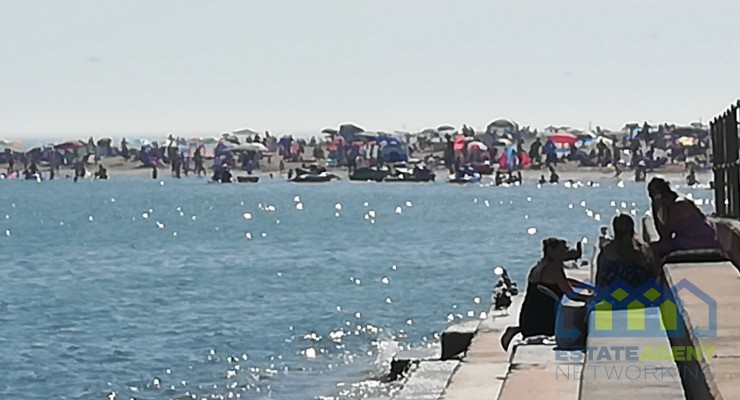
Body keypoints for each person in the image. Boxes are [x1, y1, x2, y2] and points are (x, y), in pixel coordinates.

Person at [500, 238, 591, 350]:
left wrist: (585, 285)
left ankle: (517, 329)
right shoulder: (554, 267)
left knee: (531, 329)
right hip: (542, 314)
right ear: (551, 251)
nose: (565, 253)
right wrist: (589, 298)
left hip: (529, 312)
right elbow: (569, 293)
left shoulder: (541, 265)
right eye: (561, 250)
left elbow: (564, 281)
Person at [648, 177, 721, 260]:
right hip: (692, 238)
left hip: (699, 239)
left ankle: (658, 272)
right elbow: (662, 234)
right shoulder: (672, 205)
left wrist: (656, 205)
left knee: (654, 249)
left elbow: (665, 234)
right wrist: (655, 207)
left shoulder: (678, 205)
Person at [596, 214, 655, 288]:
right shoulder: (643, 251)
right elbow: (654, 276)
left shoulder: (606, 254)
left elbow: (599, 284)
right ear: (632, 230)